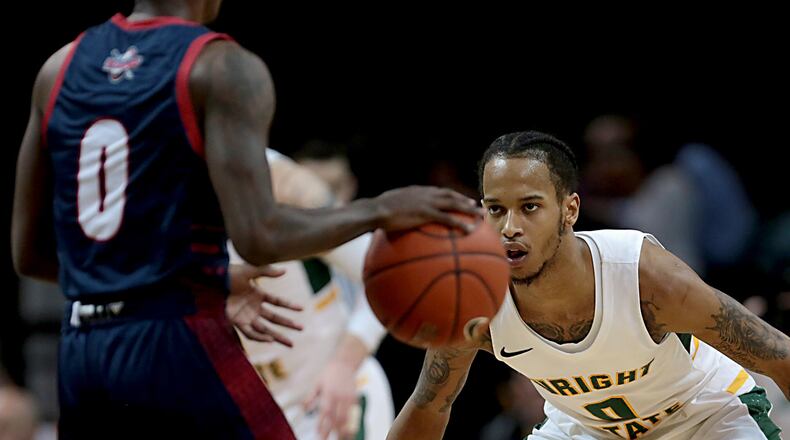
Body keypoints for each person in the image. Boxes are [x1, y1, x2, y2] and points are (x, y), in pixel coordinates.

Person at [10, 1, 479, 438]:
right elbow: (260, 235)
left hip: (83, 351)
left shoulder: (59, 68)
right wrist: (383, 209)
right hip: (174, 340)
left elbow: (29, 254)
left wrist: (199, 279)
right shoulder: (221, 67)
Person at [388, 131, 788, 440]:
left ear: (569, 209)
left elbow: (780, 357)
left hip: (702, 416)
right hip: (587, 430)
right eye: (496, 209)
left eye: (529, 207)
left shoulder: (643, 275)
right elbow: (430, 405)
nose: (510, 227)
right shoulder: (472, 303)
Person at [232, 148, 394, 440]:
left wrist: (345, 364)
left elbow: (388, 276)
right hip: (248, 414)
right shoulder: (147, 194)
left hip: (327, 403)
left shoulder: (280, 184)